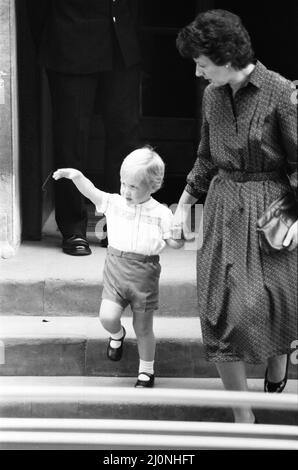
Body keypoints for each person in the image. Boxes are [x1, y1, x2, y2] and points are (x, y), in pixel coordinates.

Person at [173, 9, 297, 423]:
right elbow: (206, 157)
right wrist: (183, 208)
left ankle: (279, 365)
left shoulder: (281, 93)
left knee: (271, 306)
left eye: (202, 64)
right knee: (222, 312)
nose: (197, 73)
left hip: (272, 210)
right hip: (224, 208)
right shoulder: (211, 96)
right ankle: (243, 418)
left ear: (225, 59)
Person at [53, 146, 184, 387]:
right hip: (116, 268)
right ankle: (117, 334)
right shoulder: (114, 202)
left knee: (143, 327)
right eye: (124, 183)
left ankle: (146, 370)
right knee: (107, 317)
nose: (126, 191)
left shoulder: (162, 213)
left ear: (153, 186)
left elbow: (174, 243)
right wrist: (76, 176)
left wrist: (180, 235)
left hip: (145, 274)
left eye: (133, 186)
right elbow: (91, 192)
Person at [26, 0, 141, 255]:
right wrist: (51, 39)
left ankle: (119, 225)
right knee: (71, 138)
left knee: (125, 137)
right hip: (70, 39)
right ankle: (73, 228)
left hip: (121, 40)